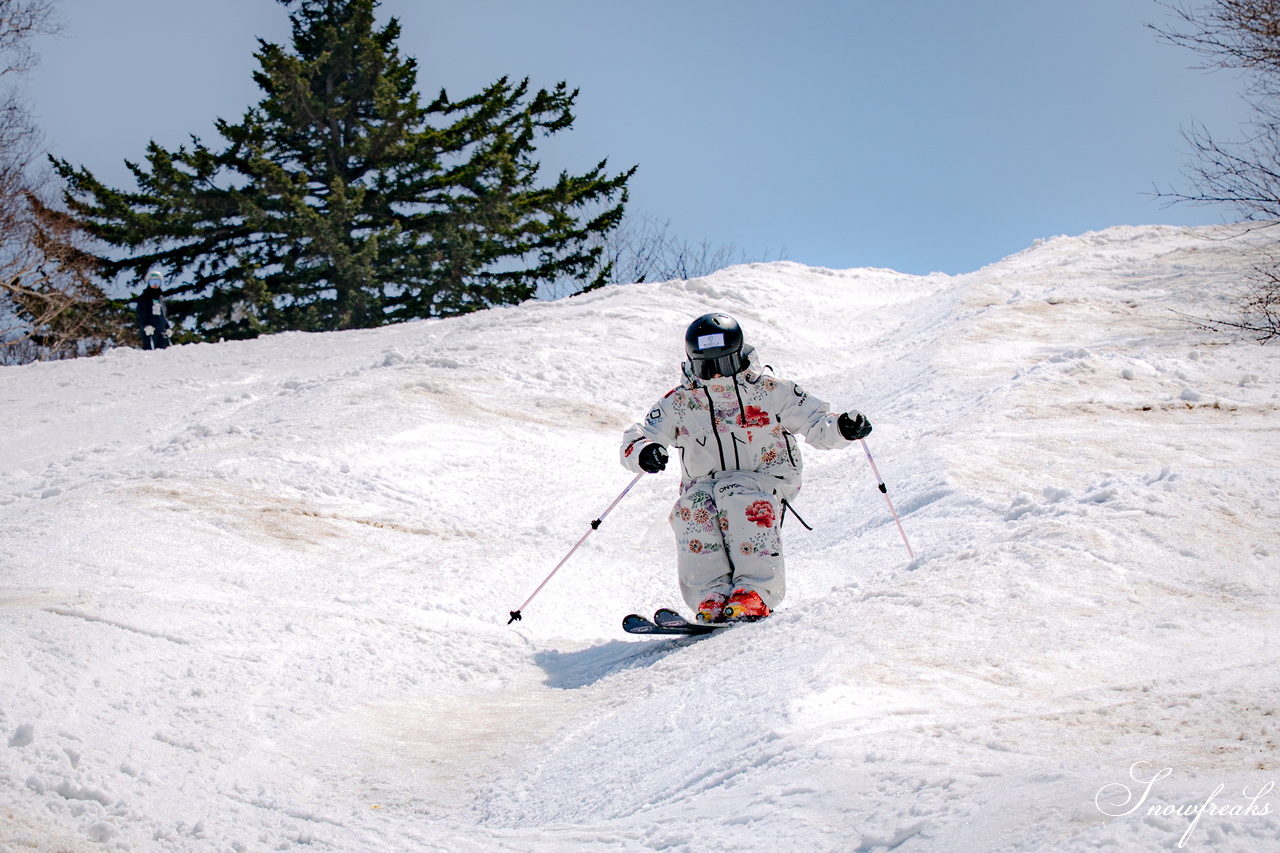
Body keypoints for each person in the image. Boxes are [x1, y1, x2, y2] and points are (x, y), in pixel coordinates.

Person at [620, 312, 873, 623]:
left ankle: (755, 591)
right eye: (706, 367)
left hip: (766, 479)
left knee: (736, 492)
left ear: (739, 355)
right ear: (691, 363)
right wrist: (645, 451)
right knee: (691, 507)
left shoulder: (770, 390)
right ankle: (710, 594)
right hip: (705, 483)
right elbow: (641, 434)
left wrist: (844, 428)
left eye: (723, 365)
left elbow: (817, 423)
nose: (715, 376)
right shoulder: (680, 402)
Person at [135, 271, 171, 350]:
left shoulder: (162, 299)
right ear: (148, 283)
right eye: (152, 282)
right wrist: (145, 325)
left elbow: (164, 315)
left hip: (161, 330)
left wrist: (167, 327)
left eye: (157, 282)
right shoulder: (144, 297)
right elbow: (141, 313)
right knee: (149, 351)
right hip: (150, 329)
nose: (155, 285)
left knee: (162, 352)